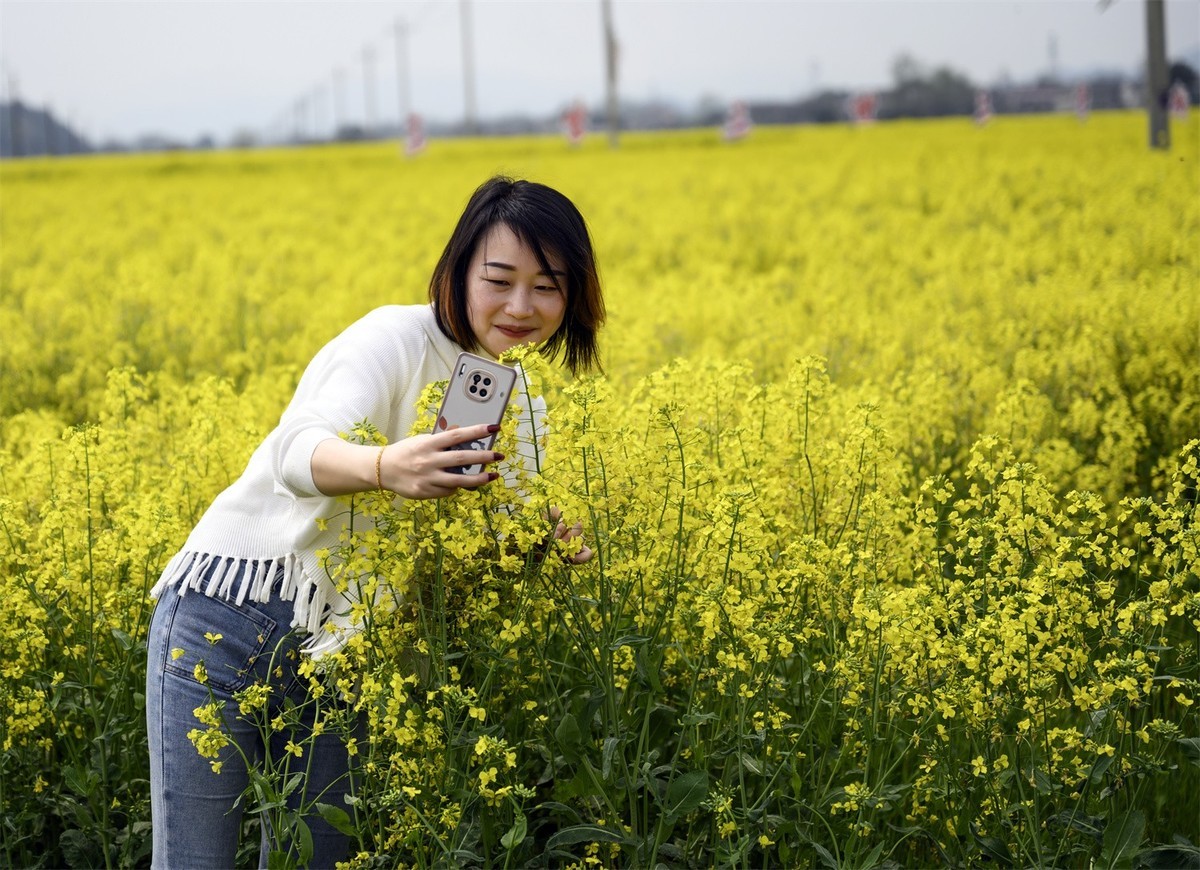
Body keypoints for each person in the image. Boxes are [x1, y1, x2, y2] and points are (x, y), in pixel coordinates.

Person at [145, 176, 606, 869]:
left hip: (348, 650)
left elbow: (461, 564)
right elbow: (295, 449)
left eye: (547, 286)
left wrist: (532, 547)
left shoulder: (519, 399)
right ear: (458, 271)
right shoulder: (393, 338)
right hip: (231, 617)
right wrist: (387, 466)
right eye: (499, 280)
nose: (520, 306)